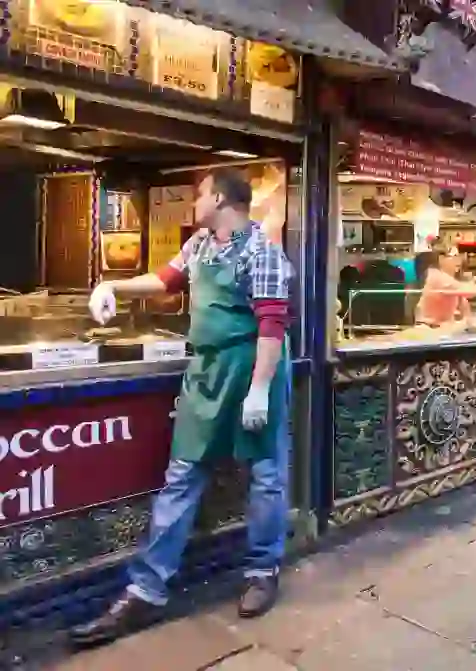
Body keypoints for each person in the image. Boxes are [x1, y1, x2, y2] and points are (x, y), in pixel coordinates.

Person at [73, 169, 294, 645]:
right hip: (206, 371)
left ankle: (262, 570)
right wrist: (113, 287)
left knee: (266, 474)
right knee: (182, 474)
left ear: (220, 198)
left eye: (199, 194)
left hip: (253, 366)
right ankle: (147, 589)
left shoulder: (264, 253)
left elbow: (272, 328)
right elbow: (166, 280)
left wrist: (259, 390)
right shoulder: (199, 245)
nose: (194, 202)